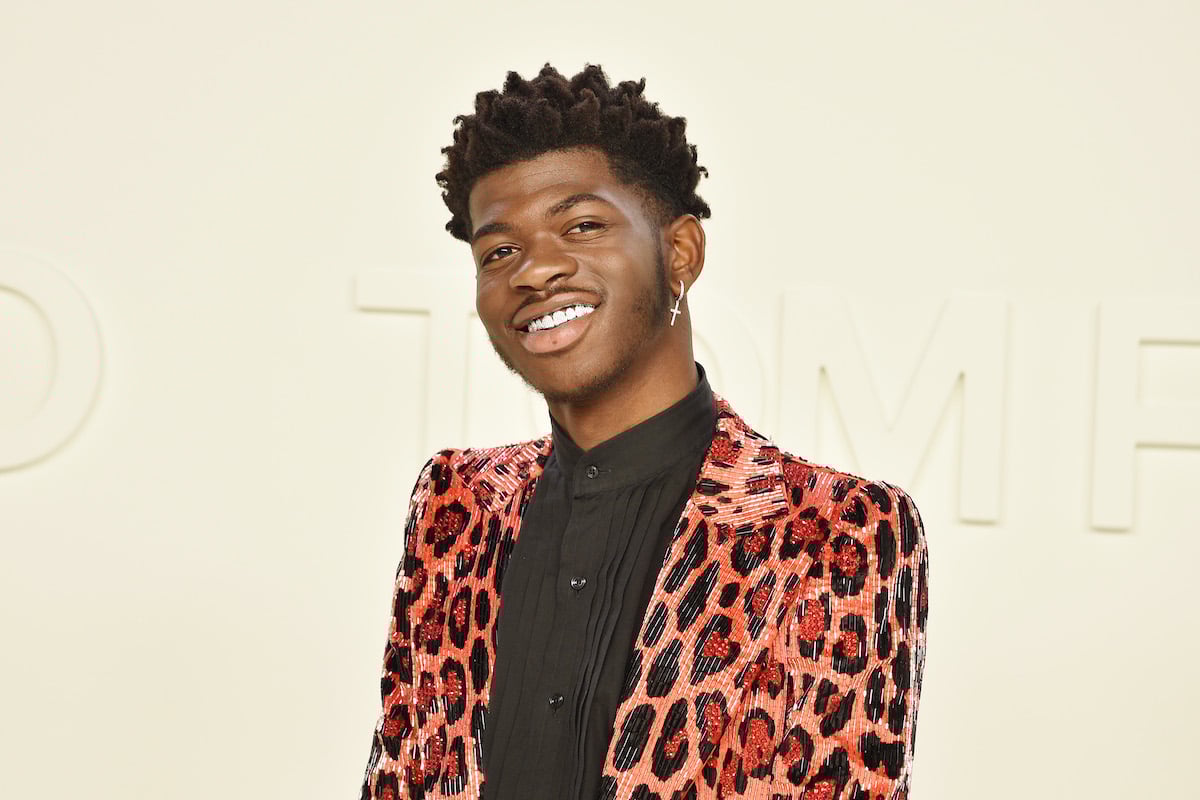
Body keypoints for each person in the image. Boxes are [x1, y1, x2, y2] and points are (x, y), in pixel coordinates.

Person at [360, 63, 929, 800]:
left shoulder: (835, 529)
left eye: (582, 226)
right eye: (499, 251)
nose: (535, 270)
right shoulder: (456, 505)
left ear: (681, 253)